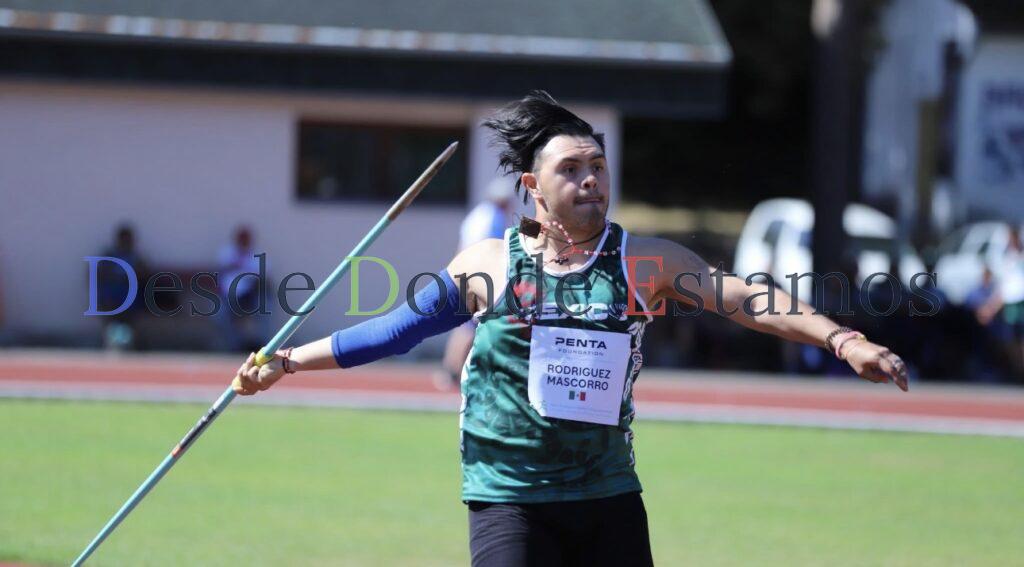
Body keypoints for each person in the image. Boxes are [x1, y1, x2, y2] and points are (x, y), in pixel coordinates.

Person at [232, 92, 909, 566]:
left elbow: (745, 298)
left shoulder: (645, 262)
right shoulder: (488, 265)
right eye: (571, 169)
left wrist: (842, 339)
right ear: (533, 185)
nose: (590, 179)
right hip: (509, 496)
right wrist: (288, 360)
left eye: (598, 167)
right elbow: (394, 332)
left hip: (607, 491)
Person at [435, 178, 514, 390]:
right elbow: (488, 250)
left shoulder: (480, 214)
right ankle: (452, 370)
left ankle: (452, 369)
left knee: (466, 325)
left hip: (466, 272)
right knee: (470, 326)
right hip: (477, 275)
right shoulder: (492, 216)